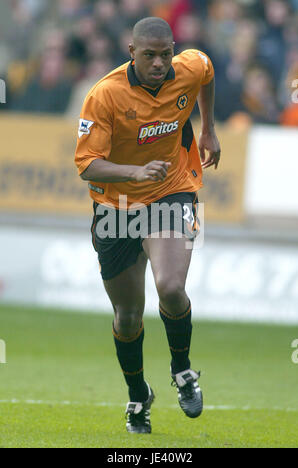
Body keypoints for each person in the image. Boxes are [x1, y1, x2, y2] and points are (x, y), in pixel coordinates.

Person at [75, 17, 221, 434]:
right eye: (149, 56)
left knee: (172, 287)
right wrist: (134, 173)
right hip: (115, 205)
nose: (159, 63)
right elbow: (86, 165)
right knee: (127, 316)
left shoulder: (189, 68)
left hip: (172, 190)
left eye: (165, 54)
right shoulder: (104, 94)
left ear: (173, 50)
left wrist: (208, 128)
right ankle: (138, 395)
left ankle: (182, 370)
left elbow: (206, 71)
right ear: (131, 52)